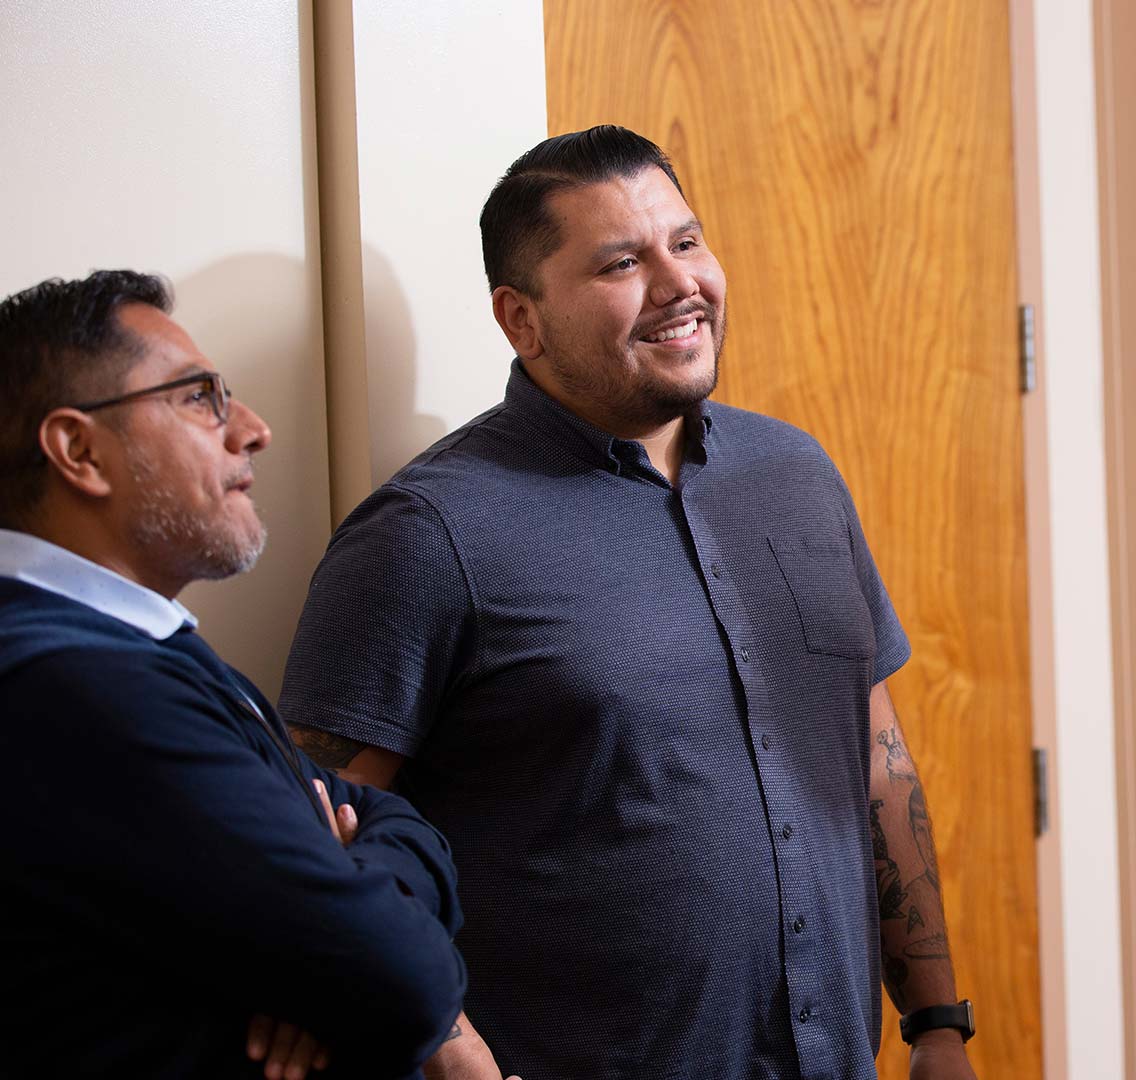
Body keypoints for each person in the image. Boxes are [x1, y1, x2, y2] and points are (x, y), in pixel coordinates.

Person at [279, 126, 978, 1080]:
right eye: (621, 261)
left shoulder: (798, 475)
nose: (677, 282)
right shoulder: (424, 535)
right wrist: (452, 1050)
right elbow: (312, 833)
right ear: (521, 320)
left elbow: (878, 764)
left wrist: (938, 1021)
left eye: (686, 243)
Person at [0, 271, 467, 1079]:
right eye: (199, 398)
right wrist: (355, 948)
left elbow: (391, 817)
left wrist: (360, 888)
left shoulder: (142, 648)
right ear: (79, 451)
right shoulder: (80, 685)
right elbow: (406, 982)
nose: (252, 430)